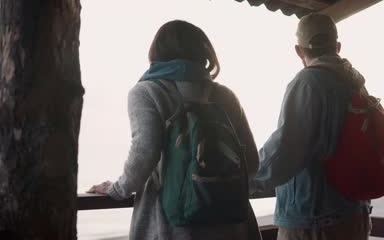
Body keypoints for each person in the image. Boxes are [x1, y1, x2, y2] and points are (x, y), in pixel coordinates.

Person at [88, 20, 261, 240]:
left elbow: (144, 152)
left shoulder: (147, 91)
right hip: (233, 224)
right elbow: (252, 162)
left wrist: (117, 189)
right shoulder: (226, 96)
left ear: (156, 53)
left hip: (175, 225)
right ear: (203, 53)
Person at [250, 13, 372, 240]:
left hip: (315, 221)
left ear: (298, 50)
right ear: (337, 46)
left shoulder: (307, 82)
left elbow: (285, 149)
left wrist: (248, 179)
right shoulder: (356, 84)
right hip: (355, 214)